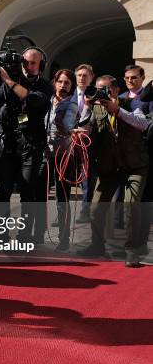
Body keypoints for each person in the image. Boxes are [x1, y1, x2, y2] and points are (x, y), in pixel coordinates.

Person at [77, 73, 149, 267]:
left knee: (131, 206)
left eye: (107, 90)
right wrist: (86, 108)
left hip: (134, 165)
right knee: (96, 207)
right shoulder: (96, 109)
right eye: (99, 89)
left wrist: (118, 110)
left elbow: (142, 124)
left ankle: (131, 250)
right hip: (109, 166)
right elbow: (86, 129)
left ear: (116, 90)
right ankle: (97, 246)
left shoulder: (131, 103)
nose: (103, 93)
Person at [0, 47, 52, 242]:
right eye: (25, 62)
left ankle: (24, 235)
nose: (28, 66)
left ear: (41, 65)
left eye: (33, 63)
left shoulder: (44, 86)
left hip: (31, 145)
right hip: (8, 144)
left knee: (27, 191)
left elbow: (30, 100)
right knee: (3, 191)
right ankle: (2, 235)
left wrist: (9, 81)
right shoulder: (9, 83)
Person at [46, 69, 79, 251]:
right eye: (60, 82)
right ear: (55, 83)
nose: (63, 85)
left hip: (63, 155)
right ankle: (35, 234)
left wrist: (61, 120)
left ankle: (63, 238)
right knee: (36, 195)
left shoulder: (71, 104)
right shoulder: (47, 101)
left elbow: (68, 125)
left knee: (62, 197)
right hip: (45, 154)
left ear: (71, 86)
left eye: (67, 83)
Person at [73, 64, 96, 223]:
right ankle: (62, 212)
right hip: (68, 142)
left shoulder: (96, 95)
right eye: (79, 75)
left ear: (91, 78)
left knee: (86, 177)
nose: (82, 78)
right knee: (64, 177)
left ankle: (85, 211)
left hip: (88, 142)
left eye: (85, 75)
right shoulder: (67, 94)